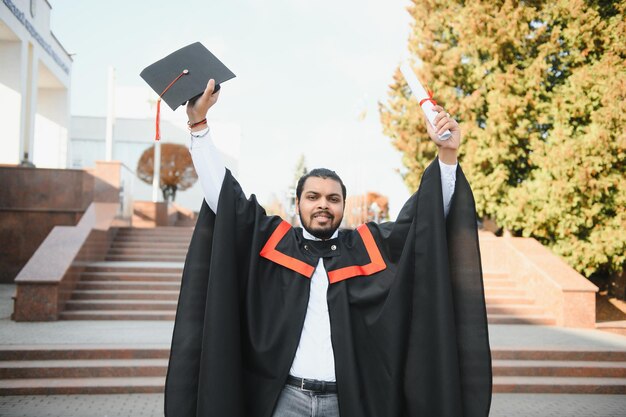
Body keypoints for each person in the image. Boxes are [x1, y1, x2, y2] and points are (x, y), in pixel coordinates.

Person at [164, 79, 492, 417]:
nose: (323, 205)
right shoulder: (274, 242)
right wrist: (199, 126)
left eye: (333, 198)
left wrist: (447, 154)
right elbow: (225, 201)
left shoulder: (367, 246)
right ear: (298, 204)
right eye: (313, 197)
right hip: (286, 399)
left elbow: (425, 219)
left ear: (344, 205)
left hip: (346, 402)